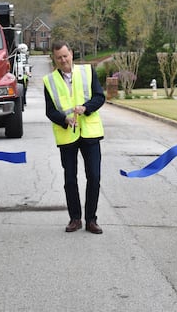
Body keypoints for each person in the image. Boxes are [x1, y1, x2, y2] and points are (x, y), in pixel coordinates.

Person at [43, 41, 106, 234]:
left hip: (90, 132)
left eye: (65, 55)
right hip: (67, 135)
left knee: (94, 177)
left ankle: (91, 220)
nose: (63, 60)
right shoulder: (49, 81)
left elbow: (99, 97)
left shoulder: (88, 71)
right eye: (59, 57)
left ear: (71, 53)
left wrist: (86, 108)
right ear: (54, 59)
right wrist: (65, 119)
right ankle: (75, 219)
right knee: (70, 179)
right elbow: (50, 111)